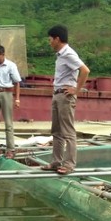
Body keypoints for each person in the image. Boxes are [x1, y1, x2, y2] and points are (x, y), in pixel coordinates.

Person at [41, 25, 90, 175]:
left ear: (57, 39)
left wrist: (76, 89)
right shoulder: (61, 55)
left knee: (68, 131)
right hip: (57, 94)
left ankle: (69, 164)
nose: (49, 42)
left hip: (65, 96)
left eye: (50, 39)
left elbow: (85, 70)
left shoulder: (68, 54)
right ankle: (56, 161)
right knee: (56, 131)